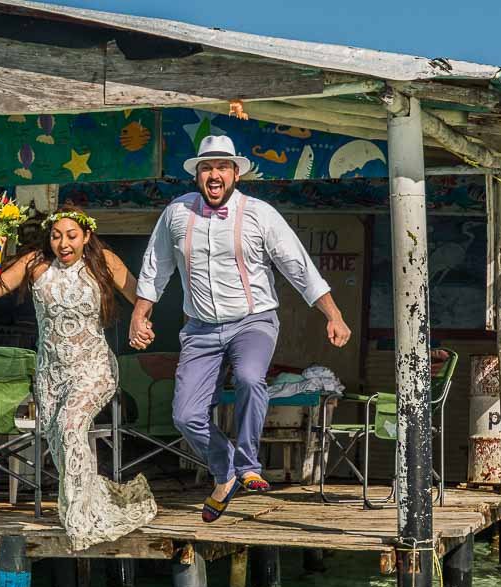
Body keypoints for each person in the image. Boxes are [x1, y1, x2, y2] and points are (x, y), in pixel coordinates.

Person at [129, 135, 352, 523]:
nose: (214, 174)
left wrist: (333, 314)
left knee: (250, 377)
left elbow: (297, 266)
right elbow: (155, 267)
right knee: (185, 415)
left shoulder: (259, 213)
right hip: (199, 329)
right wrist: (140, 314)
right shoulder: (177, 213)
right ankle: (226, 469)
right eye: (206, 168)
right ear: (197, 174)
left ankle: (248, 464)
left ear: (235, 173)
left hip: (253, 321)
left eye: (221, 167)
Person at [0, 209, 157, 551]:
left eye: (71, 235)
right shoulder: (35, 263)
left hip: (93, 368)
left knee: (71, 425)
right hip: (51, 373)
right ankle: (94, 503)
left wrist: (141, 323)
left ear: (86, 235)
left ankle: (80, 521)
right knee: (60, 443)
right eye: (57, 235)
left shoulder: (103, 261)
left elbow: (140, 298)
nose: (63, 243)